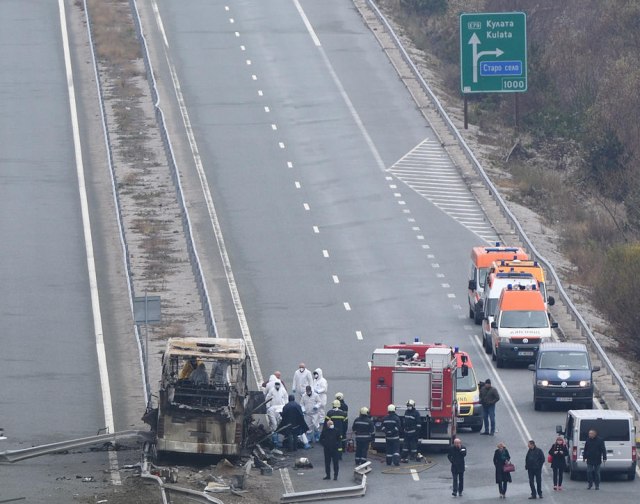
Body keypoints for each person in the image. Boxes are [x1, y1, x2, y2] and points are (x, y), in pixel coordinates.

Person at [265, 380, 288, 446]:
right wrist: (268, 406)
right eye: (276, 385)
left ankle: (279, 439)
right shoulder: (272, 390)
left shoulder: (283, 390)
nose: (277, 386)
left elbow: (286, 398)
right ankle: (274, 439)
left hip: (281, 408)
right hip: (273, 408)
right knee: (274, 424)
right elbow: (268, 398)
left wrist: (286, 405)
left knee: (280, 423)